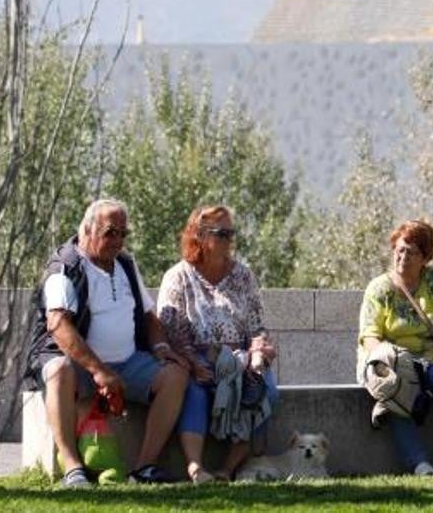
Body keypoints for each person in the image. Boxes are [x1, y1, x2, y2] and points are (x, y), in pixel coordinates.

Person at [25, 199, 190, 487]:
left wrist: (162, 348)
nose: (118, 241)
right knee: (58, 370)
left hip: (128, 361)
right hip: (79, 365)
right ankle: (72, 467)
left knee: (175, 375)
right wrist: (99, 370)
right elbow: (58, 327)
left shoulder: (125, 264)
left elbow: (149, 316)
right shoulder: (66, 267)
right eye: (111, 233)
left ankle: (144, 467)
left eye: (123, 234)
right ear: (87, 230)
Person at [157, 205, 279, 483]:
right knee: (196, 392)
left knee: (265, 391)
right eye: (221, 233)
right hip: (195, 357)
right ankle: (195, 468)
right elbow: (171, 328)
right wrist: (193, 362)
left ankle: (229, 468)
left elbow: (257, 325)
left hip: (239, 358)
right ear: (199, 235)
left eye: (230, 233)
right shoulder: (178, 276)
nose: (228, 240)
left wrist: (257, 354)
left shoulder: (243, 276)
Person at [357, 219, 433, 475]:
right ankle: (420, 464)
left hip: (432, 360)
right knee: (397, 392)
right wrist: (391, 362)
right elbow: (369, 336)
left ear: (425, 258)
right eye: (399, 250)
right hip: (393, 362)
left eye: (411, 252)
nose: (402, 257)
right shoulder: (380, 288)